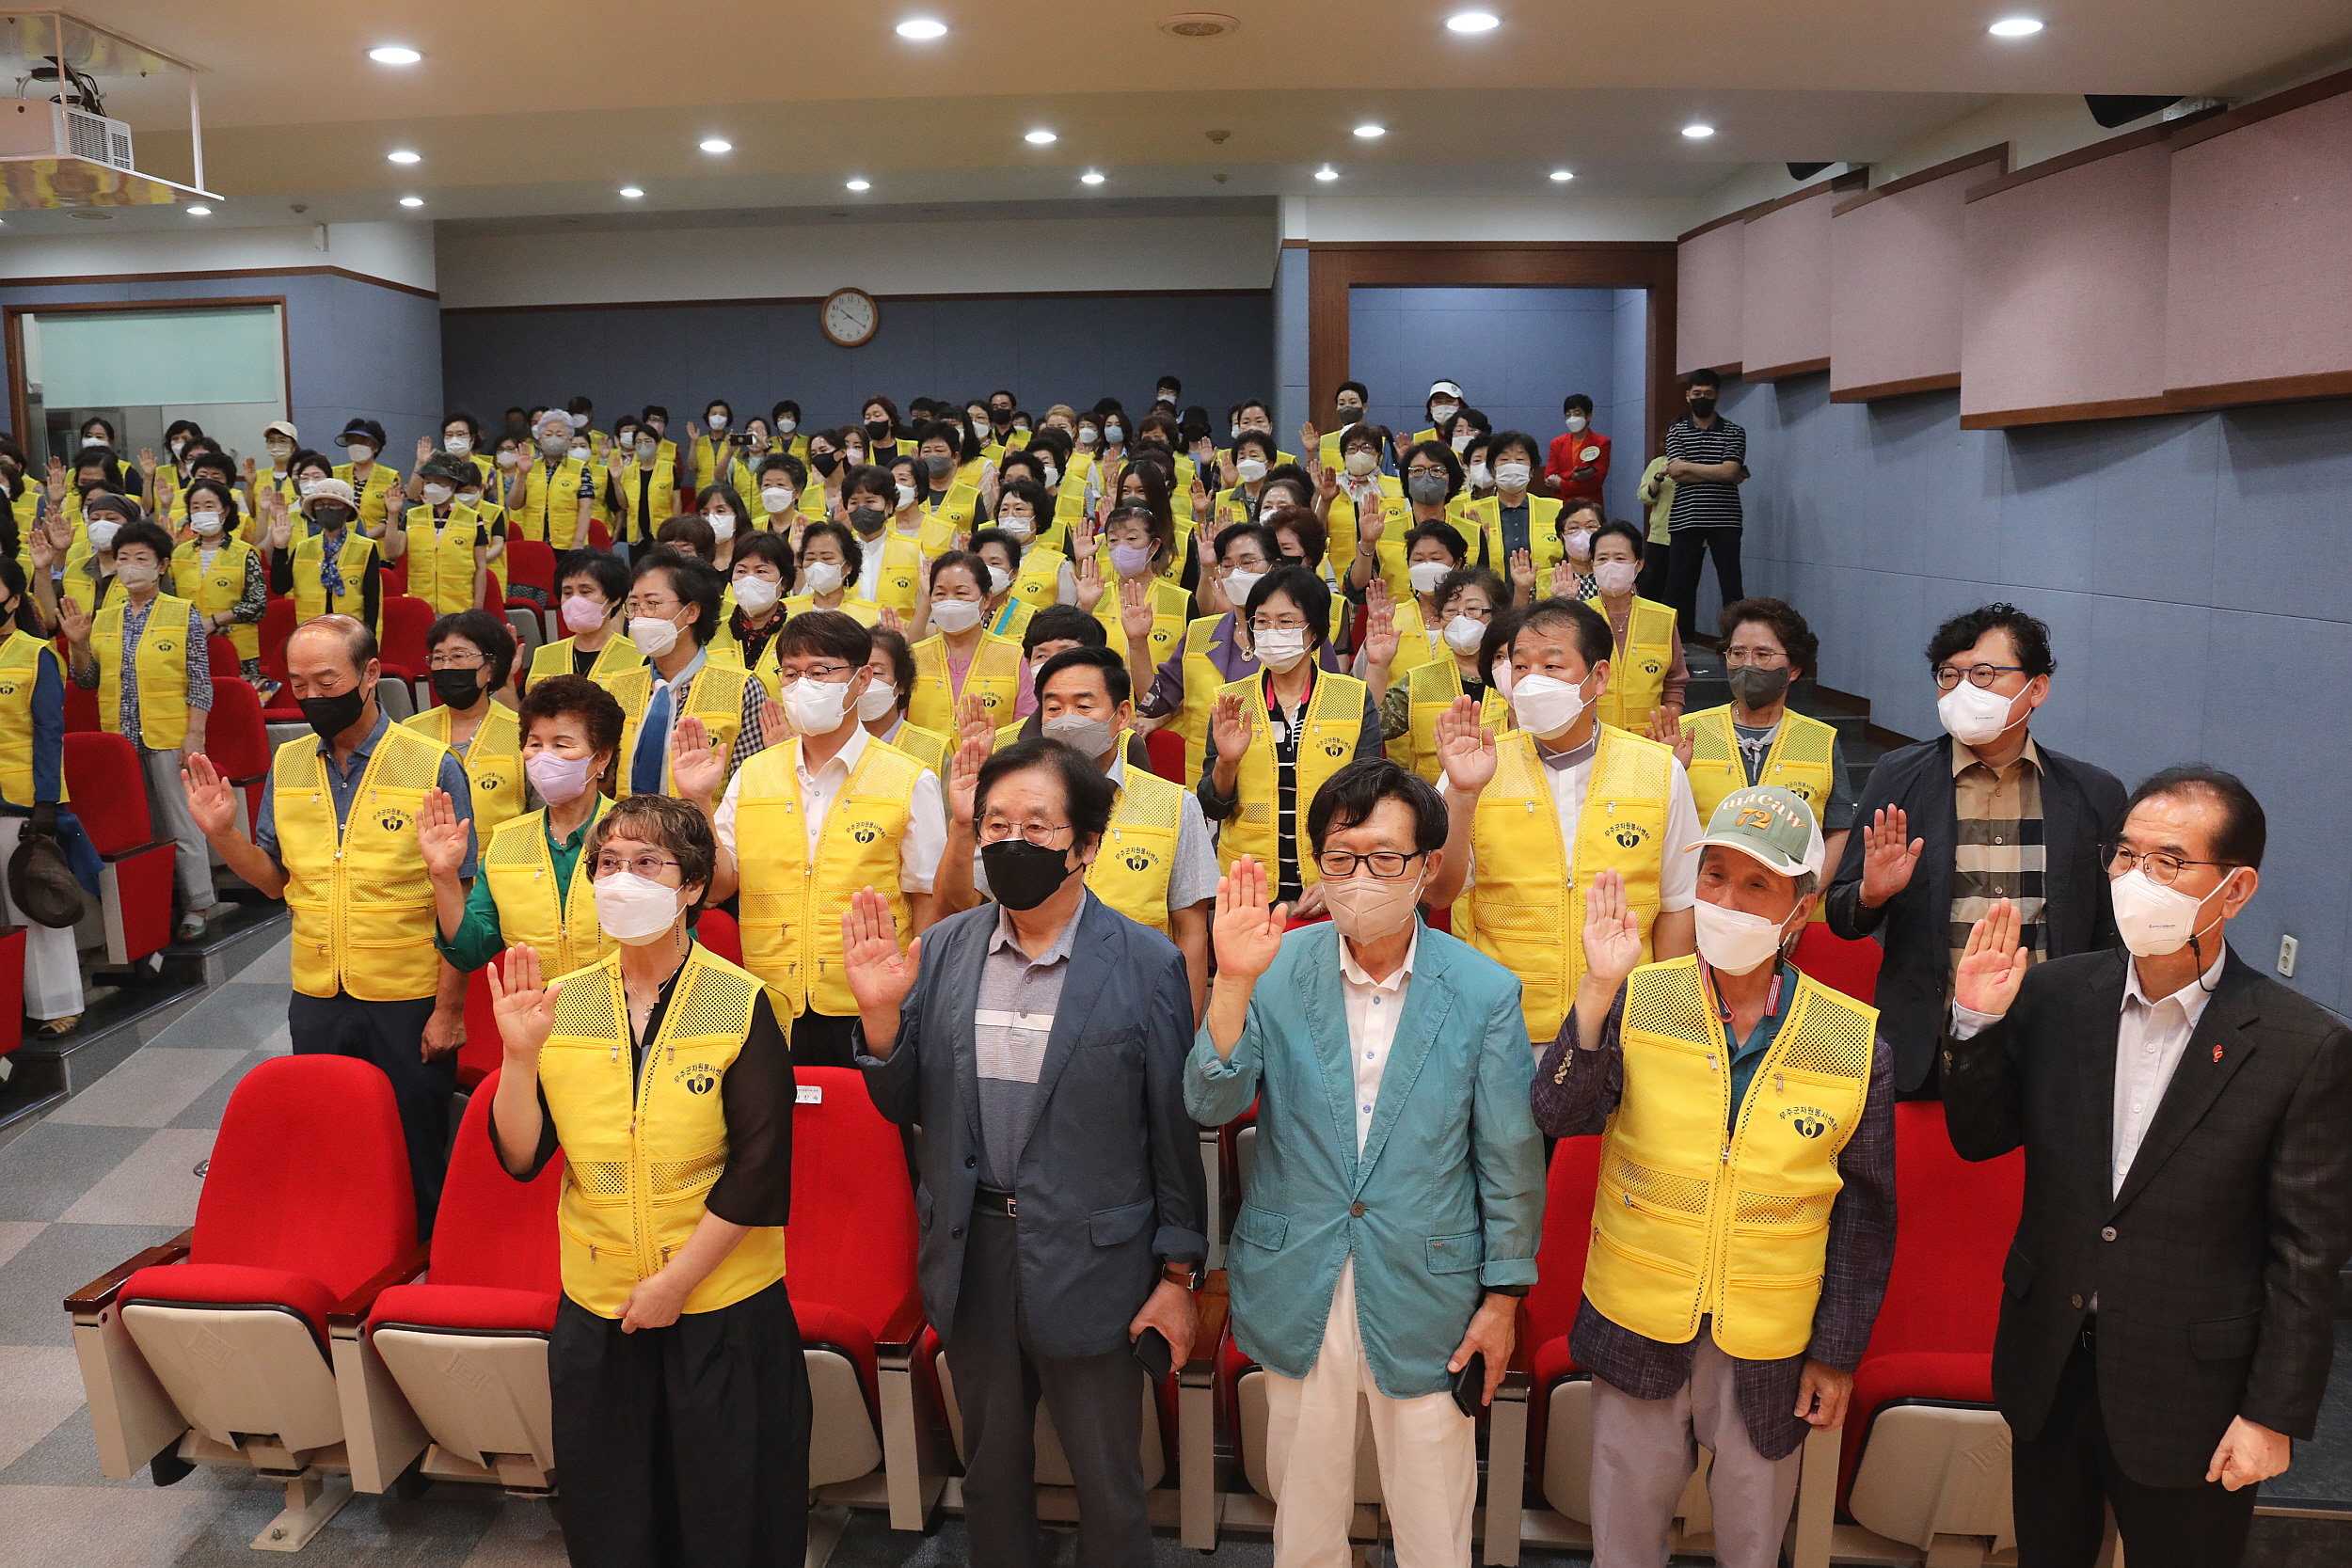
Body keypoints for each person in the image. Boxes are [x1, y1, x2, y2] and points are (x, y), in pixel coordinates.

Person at [1943, 768, 2352, 1568]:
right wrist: (1975, 1021)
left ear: (2234, 890)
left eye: (2169, 862)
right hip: (2051, 1359)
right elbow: (1980, 1136)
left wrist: (2273, 1415)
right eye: (2124, 856)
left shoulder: (2303, 1046)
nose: (2137, 880)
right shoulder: (2058, 993)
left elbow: (2308, 1258)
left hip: (2192, 1390)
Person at [844, 736, 1206, 1568]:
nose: (1011, 840)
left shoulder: (1146, 963)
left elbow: (1171, 1129)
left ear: (1084, 845)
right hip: (975, 1254)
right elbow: (906, 1105)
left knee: (1111, 1484)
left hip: (1097, 1259)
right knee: (991, 1473)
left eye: (1037, 826)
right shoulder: (944, 948)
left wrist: (1179, 1274)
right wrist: (880, 1021)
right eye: (995, 821)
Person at [1534, 786, 1896, 1568]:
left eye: (1756, 884)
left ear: (1799, 909)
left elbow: (1865, 1218)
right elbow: (1556, 1115)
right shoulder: (1640, 996)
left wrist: (1837, 1352)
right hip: (1640, 1325)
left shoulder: (1852, 1038)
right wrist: (1595, 992)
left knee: (1753, 1549)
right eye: (1715, 876)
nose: (1726, 901)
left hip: (1770, 1347)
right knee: (1623, 1548)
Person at [1191, 762, 1542, 1568]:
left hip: (1431, 1288)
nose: (1360, 876)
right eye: (1341, 856)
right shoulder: (1273, 966)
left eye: (1384, 857)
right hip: (1297, 1272)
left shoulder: (1484, 990)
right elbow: (1210, 1104)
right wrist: (1231, 984)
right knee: (1304, 1520)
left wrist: (1504, 1295)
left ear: (1426, 866)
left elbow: (1509, 1159)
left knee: (1431, 1525)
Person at [484, 794, 809, 1568]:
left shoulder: (744, 1001)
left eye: (647, 862)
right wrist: (519, 1059)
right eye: (608, 863)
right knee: (614, 1519)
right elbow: (523, 1157)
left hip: (719, 1308)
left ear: (692, 886)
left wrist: (675, 1283)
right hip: (600, 1308)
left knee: (730, 1517)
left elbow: (760, 1171)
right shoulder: (562, 1003)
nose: (621, 878)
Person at [183, 615, 473, 1230]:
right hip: (317, 994)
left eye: (326, 679)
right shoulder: (287, 764)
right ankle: (352, 1255)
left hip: (407, 996)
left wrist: (449, 1009)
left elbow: (461, 904)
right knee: (334, 1138)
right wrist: (223, 832)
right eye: (298, 684)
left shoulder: (431, 764)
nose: (311, 696)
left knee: (415, 1144)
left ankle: (421, 1270)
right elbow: (271, 881)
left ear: (370, 675)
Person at [1828, 602, 2124, 1095]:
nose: (1964, 690)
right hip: (1930, 1042)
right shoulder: (1900, 777)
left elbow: (2110, 930)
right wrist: (1871, 894)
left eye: (1984, 674)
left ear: (2037, 688)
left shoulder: (2094, 794)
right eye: (1949, 676)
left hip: (2053, 1045)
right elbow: (1841, 913)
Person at [1423, 596, 1701, 1052]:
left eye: (1552, 666)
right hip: (1503, 1022)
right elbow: (1438, 894)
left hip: (1623, 1021)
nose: (1532, 682)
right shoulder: (1475, 768)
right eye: (1520, 667)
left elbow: (1677, 903)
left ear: (1599, 677)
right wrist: (1463, 793)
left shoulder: (1658, 770)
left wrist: (1666, 1019)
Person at [684, 610, 944, 1068]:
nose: (803, 685)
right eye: (791, 673)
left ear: (861, 680)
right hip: (766, 999)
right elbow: (720, 888)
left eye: (820, 671)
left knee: (865, 1129)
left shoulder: (908, 778)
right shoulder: (754, 773)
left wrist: (912, 991)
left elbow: (927, 899)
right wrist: (699, 801)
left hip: (868, 1002)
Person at [938, 646, 1216, 1017]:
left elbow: (1191, 933)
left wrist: (1186, 1033)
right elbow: (963, 901)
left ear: (1122, 715)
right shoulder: (1011, 801)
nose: (1067, 721)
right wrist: (961, 824)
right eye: (1054, 709)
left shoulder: (1174, 805)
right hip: (1022, 996)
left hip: (1133, 997)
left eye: (1083, 707)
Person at [59, 518, 216, 942]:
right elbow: (88, 680)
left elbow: (200, 681)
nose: (131, 567)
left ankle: (198, 903)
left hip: (169, 737)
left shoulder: (183, 614)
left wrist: (194, 735)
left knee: (182, 823)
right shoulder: (105, 618)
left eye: (141, 559)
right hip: (121, 740)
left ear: (162, 566)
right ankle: (155, 905)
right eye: (124, 558)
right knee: (142, 827)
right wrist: (77, 645)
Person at [1200, 567, 1381, 915]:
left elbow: (1368, 802)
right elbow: (1213, 806)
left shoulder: (1353, 697)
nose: (1271, 632)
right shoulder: (1231, 702)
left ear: (1313, 630)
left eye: (1286, 622)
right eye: (1262, 622)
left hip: (1329, 885)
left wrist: (1339, 880)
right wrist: (1227, 762)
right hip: (1247, 887)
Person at [427, 673, 622, 978]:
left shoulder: (639, 834)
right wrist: (444, 876)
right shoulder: (506, 842)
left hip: (628, 1013)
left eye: (561, 744)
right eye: (535, 744)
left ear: (601, 758)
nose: (544, 758)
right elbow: (469, 952)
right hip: (531, 1015)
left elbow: (674, 942)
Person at [1657, 597, 1853, 884]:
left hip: (1792, 910)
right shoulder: (1687, 734)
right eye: (1737, 653)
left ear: (1794, 669)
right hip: (1703, 902)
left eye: (1763, 654)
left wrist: (1807, 898)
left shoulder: (1820, 740)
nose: (1747, 665)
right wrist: (1669, 773)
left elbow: (1838, 830)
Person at [0, 558, 87, 1036]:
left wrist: (46, 802)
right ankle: (12, 1007)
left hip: (21, 799)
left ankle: (59, 1003)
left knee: (31, 901)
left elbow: (50, 732)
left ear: (14, 600)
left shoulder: (36, 655)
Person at [606, 548, 769, 800]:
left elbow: (748, 786)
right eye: (634, 605)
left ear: (691, 612)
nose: (639, 616)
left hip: (703, 831)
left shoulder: (741, 688)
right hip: (627, 831)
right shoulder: (617, 686)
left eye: (652, 604)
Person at [1373, 565, 1509, 784]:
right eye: (1451, 612)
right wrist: (1378, 666)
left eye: (1472, 610)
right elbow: (1374, 725)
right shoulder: (1420, 680)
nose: (1460, 619)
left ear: (1497, 614)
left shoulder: (1517, 674)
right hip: (1437, 806)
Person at [407, 610, 525, 839]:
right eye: (438, 658)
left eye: (458, 656)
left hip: (499, 864)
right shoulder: (411, 731)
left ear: (490, 667)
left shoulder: (521, 731)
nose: (446, 667)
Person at [1659, 369, 1749, 638]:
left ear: (1717, 396)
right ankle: (1674, 644)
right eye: (1696, 394)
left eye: (1708, 394)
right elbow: (1675, 472)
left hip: (1726, 518)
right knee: (1678, 586)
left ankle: (1736, 642)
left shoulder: (1734, 431)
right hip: (1685, 516)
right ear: (1688, 396)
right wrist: (1716, 471)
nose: (1702, 398)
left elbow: (1730, 472)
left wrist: (1690, 467)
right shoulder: (1676, 432)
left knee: (1731, 586)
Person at [907, 551, 1033, 732]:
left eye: (960, 593)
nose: (949, 602)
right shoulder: (915, 657)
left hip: (995, 759)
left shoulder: (1012, 657)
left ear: (986, 599)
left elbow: (1025, 727)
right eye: (940, 593)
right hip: (924, 759)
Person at [1585, 519, 1687, 735]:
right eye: (1602, 558)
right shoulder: (1578, 618)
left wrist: (1668, 728)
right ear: (1592, 564)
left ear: (1638, 564)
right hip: (1590, 738)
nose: (1611, 565)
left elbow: (1675, 683)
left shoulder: (1662, 618)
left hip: (1649, 740)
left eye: (1620, 558)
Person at [172, 479, 267, 689]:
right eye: (195, 507)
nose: (201, 512)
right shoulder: (179, 553)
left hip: (239, 649)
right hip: (189, 646)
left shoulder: (245, 553)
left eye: (209, 506)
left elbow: (257, 605)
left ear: (224, 511)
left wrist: (215, 621)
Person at [267, 478, 386, 634]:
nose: (326, 509)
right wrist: (280, 547)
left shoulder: (366, 547)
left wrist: (368, 642)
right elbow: (279, 587)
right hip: (310, 632)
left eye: (333, 504)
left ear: (347, 509)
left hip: (350, 634)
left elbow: (372, 602)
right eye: (320, 505)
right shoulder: (303, 547)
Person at [387, 453, 490, 616]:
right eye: (428, 482)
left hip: (460, 607)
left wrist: (477, 608)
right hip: (422, 605)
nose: (432, 486)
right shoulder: (413, 516)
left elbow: (481, 567)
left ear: (453, 484)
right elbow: (392, 552)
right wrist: (393, 515)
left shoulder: (472, 518)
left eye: (439, 482)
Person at [1468, 431, 1565, 603]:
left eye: (1520, 460)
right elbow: (1465, 567)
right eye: (1504, 460)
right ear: (1492, 470)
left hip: (1546, 606)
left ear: (1531, 470)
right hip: (1491, 605)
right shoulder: (1472, 513)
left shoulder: (1556, 509)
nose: (1512, 465)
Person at [528, 550, 643, 691]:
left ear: (614, 599)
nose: (574, 601)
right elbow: (522, 712)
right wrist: (507, 683)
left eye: (585, 592)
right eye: (567, 593)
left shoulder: (638, 657)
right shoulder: (543, 655)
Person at [707, 530, 793, 681]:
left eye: (761, 571)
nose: (749, 579)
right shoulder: (709, 632)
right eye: (741, 571)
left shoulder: (800, 634)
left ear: (783, 582)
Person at [508, 408, 598, 553]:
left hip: (568, 545)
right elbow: (514, 504)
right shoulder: (529, 466)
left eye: (559, 434)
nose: (553, 438)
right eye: (548, 434)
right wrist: (522, 473)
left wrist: (578, 542)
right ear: (539, 439)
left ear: (569, 439)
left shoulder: (580, 468)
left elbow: (586, 508)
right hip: (534, 543)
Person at [786, 520, 880, 624]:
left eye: (826, 558)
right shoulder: (786, 611)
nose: (817, 565)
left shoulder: (871, 615)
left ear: (848, 566)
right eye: (810, 558)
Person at [331, 418, 403, 539]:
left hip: (376, 546)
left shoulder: (390, 476)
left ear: (375, 448)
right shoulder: (334, 473)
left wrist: (363, 538)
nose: (356, 446)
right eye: (352, 442)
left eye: (362, 442)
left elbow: (394, 516)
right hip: (338, 544)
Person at [1544, 393, 1611, 504]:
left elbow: (1596, 481)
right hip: (1561, 504)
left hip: (1589, 504)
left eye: (1577, 414)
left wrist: (1561, 483)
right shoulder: (1556, 443)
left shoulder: (1602, 443)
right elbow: (1549, 477)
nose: (1572, 418)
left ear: (1588, 416)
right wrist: (1572, 475)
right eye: (1568, 414)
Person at [1633, 445, 1675, 601]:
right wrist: (1659, 476)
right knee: (1651, 587)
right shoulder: (1659, 462)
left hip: (1690, 537)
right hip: (1660, 534)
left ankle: (1679, 626)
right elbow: (1644, 496)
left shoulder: (1699, 464)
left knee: (1680, 590)